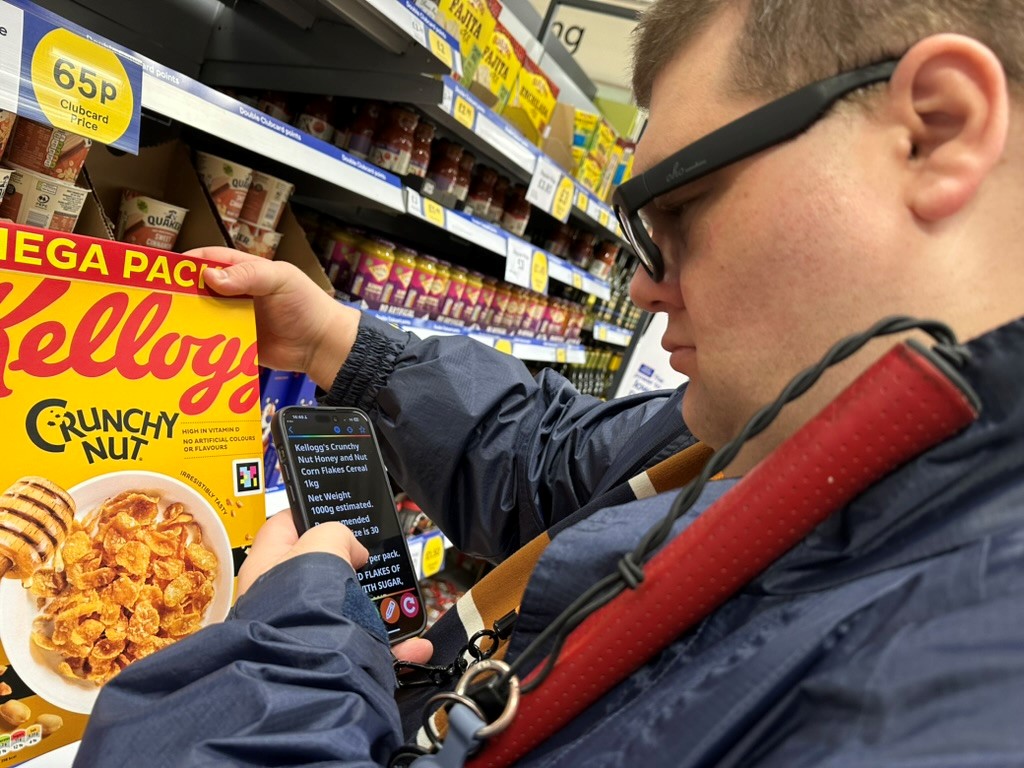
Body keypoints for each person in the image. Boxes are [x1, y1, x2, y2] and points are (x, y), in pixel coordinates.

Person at [76, 0, 1024, 765]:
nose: (647, 281)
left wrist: (278, 662)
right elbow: (572, 473)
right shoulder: (812, 427)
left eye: (679, 204)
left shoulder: (954, 698)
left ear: (936, 130)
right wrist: (341, 342)